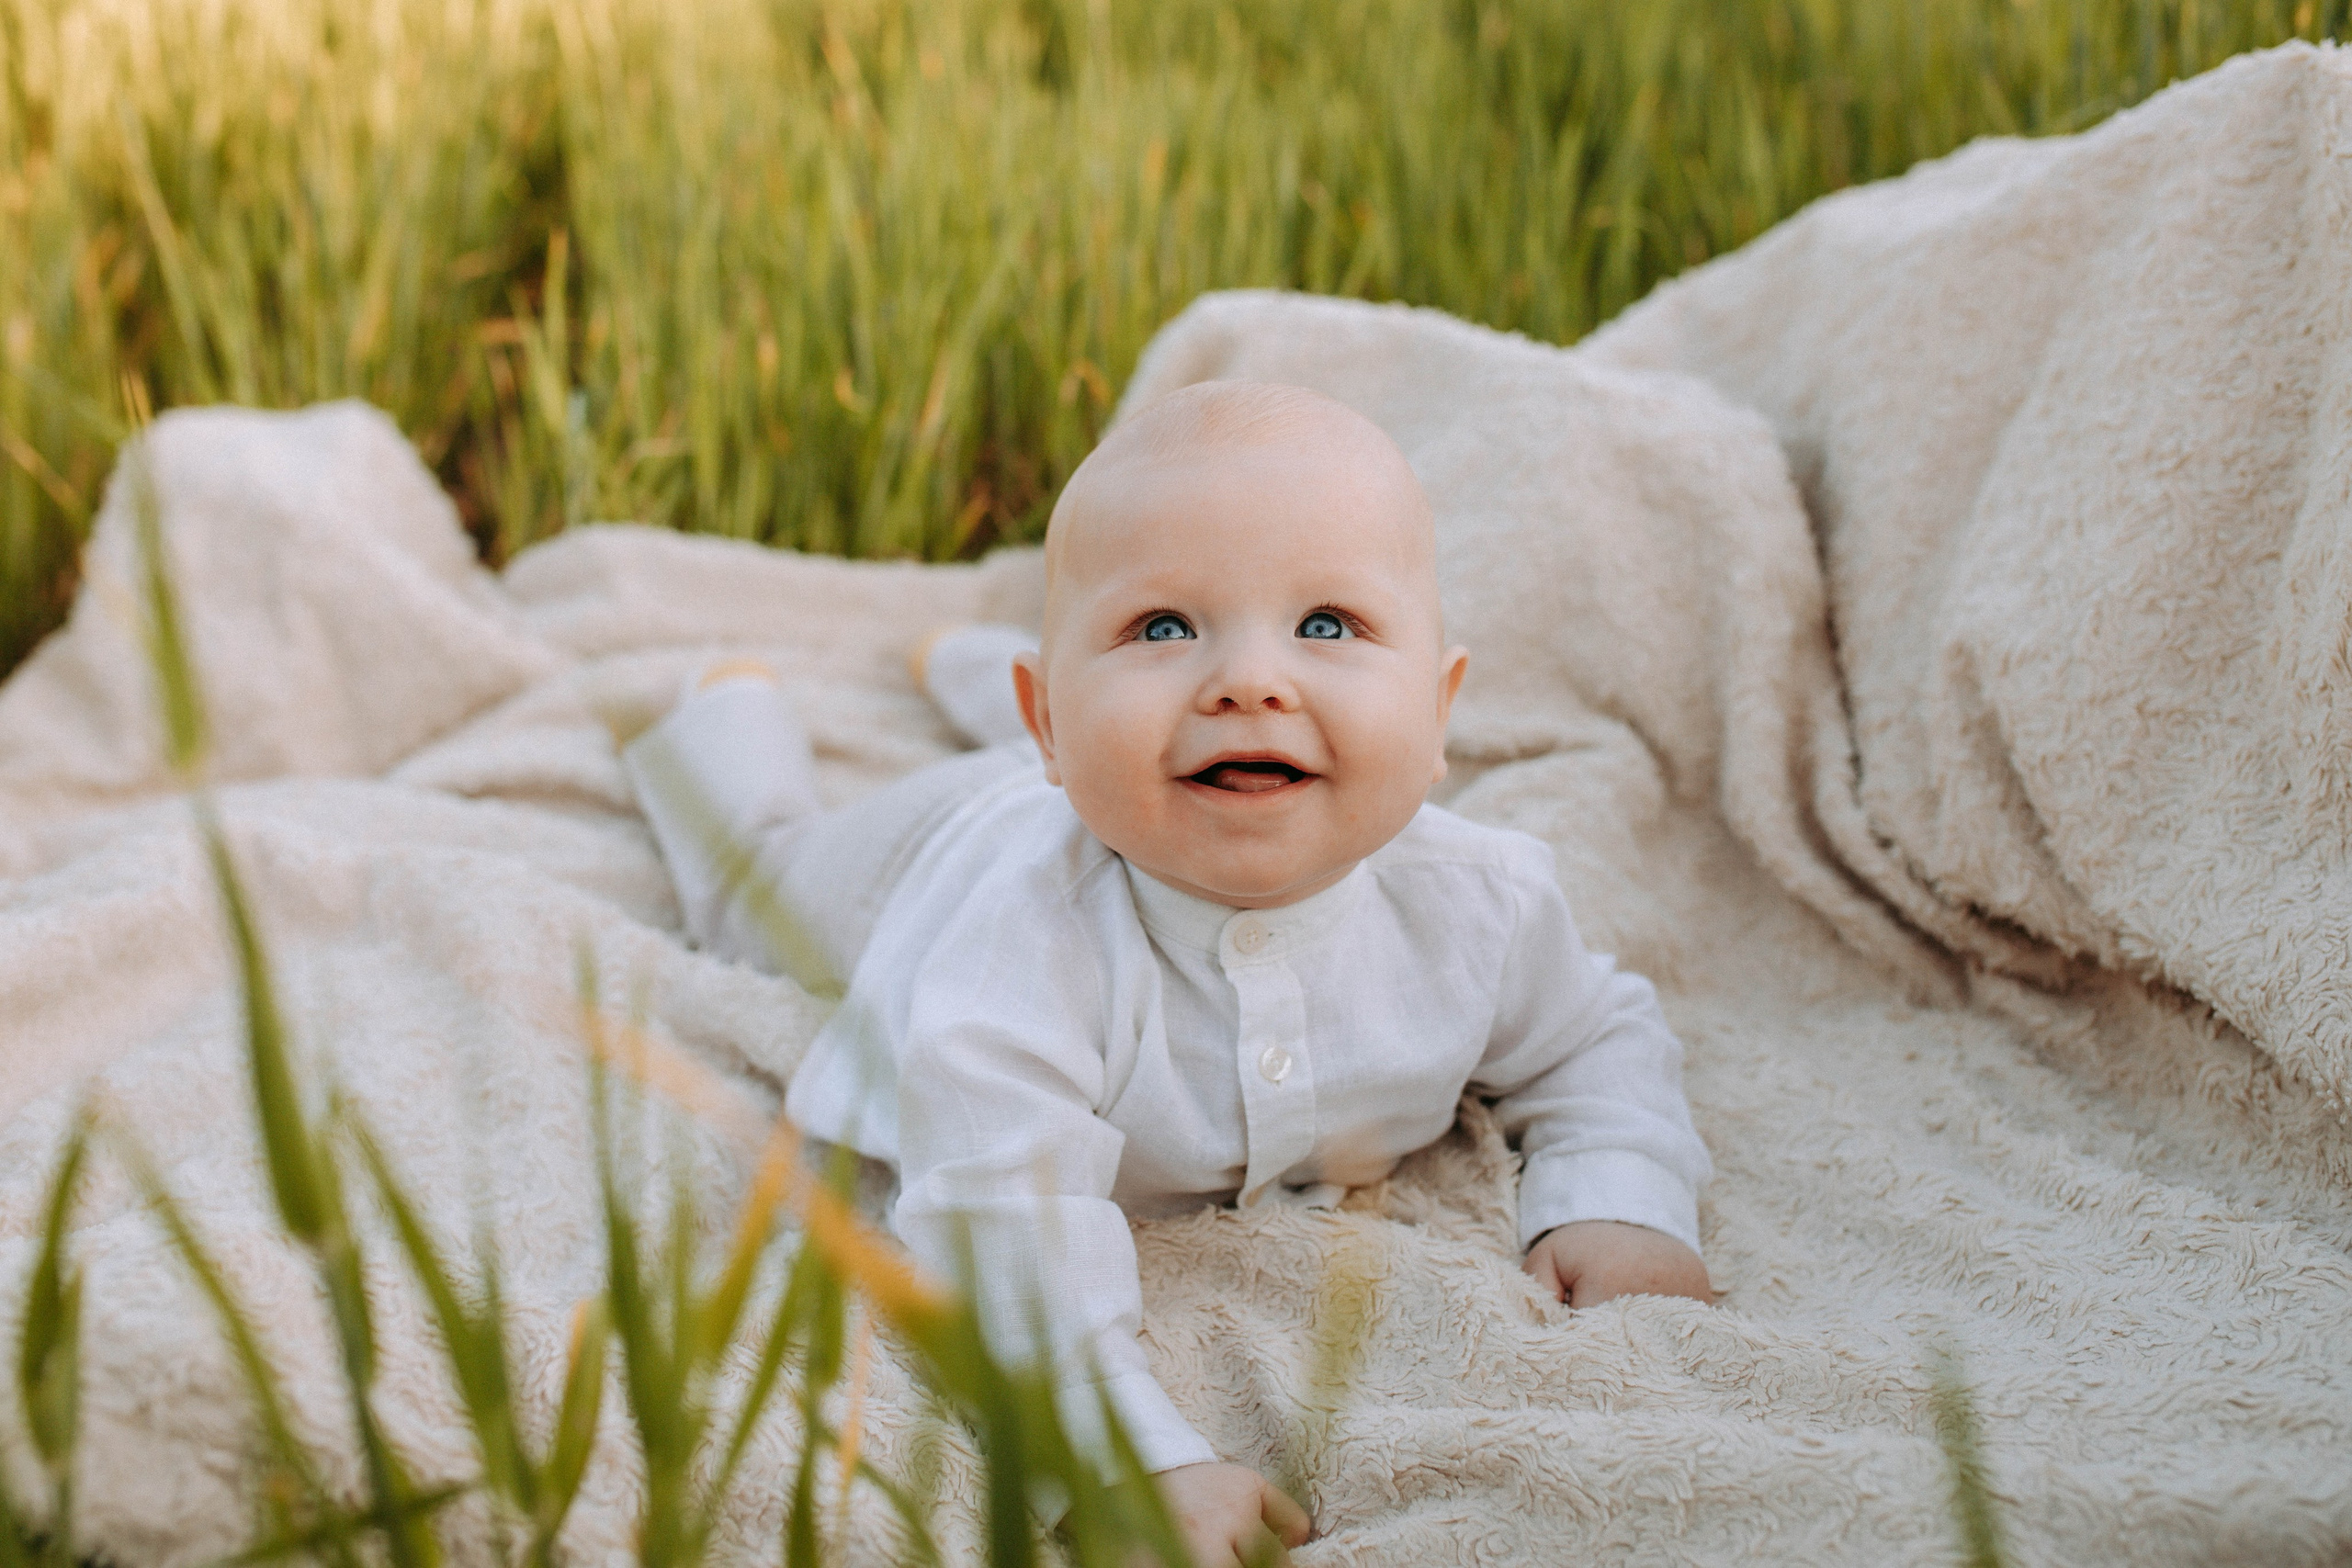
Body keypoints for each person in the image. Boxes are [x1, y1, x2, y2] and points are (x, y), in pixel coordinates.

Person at [623, 381, 1713, 1568]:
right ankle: (726, 721)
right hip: (926, 859)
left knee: (1132, 726)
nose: (1251, 681)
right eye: (1164, 628)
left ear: (1441, 709)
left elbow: (1594, 1038)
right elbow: (1001, 1234)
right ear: (1054, 727)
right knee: (755, 892)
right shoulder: (1012, 960)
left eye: (1329, 627)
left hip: (1074, 750)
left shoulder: (1483, 909)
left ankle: (1002, 668)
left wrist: (1620, 1192)